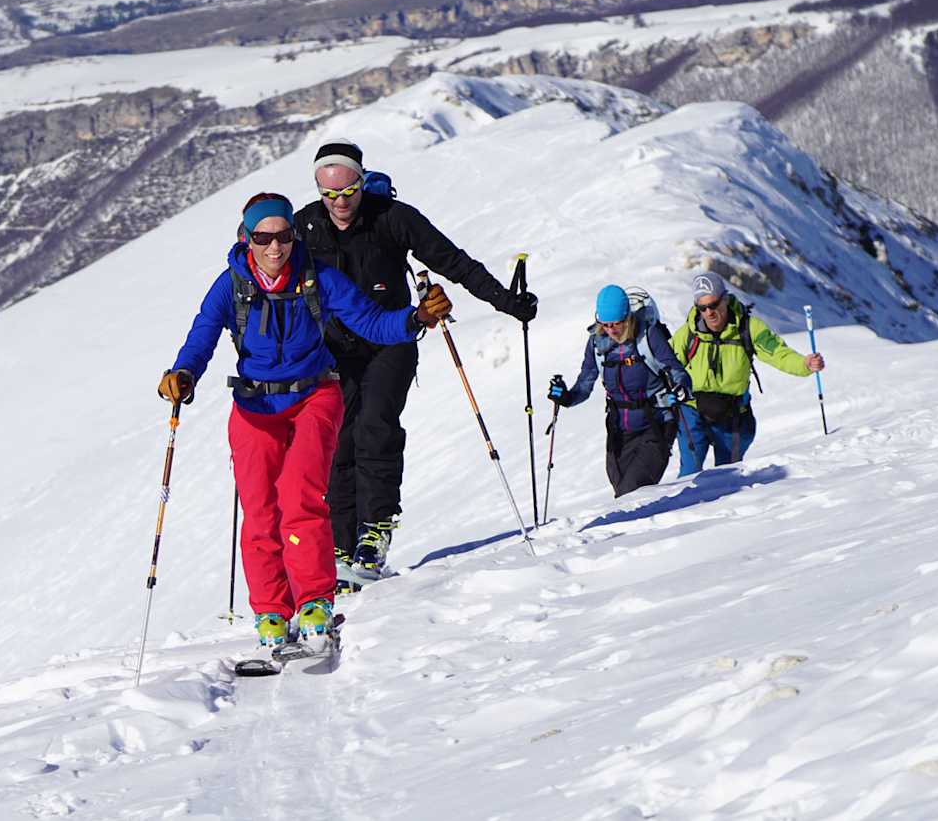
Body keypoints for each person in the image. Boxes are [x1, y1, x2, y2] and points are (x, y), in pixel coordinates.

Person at [159, 192, 453, 647]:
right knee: (259, 513)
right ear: (247, 239)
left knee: (301, 499)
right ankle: (271, 611)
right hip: (255, 409)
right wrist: (182, 374)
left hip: (314, 397)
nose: (275, 248)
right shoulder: (231, 285)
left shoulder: (320, 279)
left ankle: (315, 600)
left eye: (283, 237)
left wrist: (415, 319)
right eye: (263, 238)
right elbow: (202, 335)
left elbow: (371, 323)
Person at [296, 137, 538, 586]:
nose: (339, 202)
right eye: (328, 193)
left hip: (394, 338)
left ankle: (374, 533)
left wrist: (507, 302)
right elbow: (271, 278)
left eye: (348, 190)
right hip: (334, 350)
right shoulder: (305, 228)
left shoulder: (392, 218)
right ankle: (339, 545)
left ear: (362, 182)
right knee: (338, 441)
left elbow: (455, 263)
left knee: (375, 425)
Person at [669, 271, 826, 474]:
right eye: (702, 307)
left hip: (732, 415)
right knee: (689, 475)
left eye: (714, 305)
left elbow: (778, 353)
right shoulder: (688, 333)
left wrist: (805, 364)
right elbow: (667, 364)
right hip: (693, 412)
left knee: (727, 476)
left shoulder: (748, 328)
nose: (709, 312)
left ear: (724, 299)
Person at [546, 285, 693, 497]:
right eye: (605, 325)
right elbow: (585, 383)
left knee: (630, 493)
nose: (611, 330)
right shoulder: (597, 344)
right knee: (623, 494)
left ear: (628, 317)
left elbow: (677, 372)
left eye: (617, 324)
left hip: (655, 425)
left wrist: (681, 389)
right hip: (618, 432)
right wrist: (566, 397)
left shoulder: (649, 337)